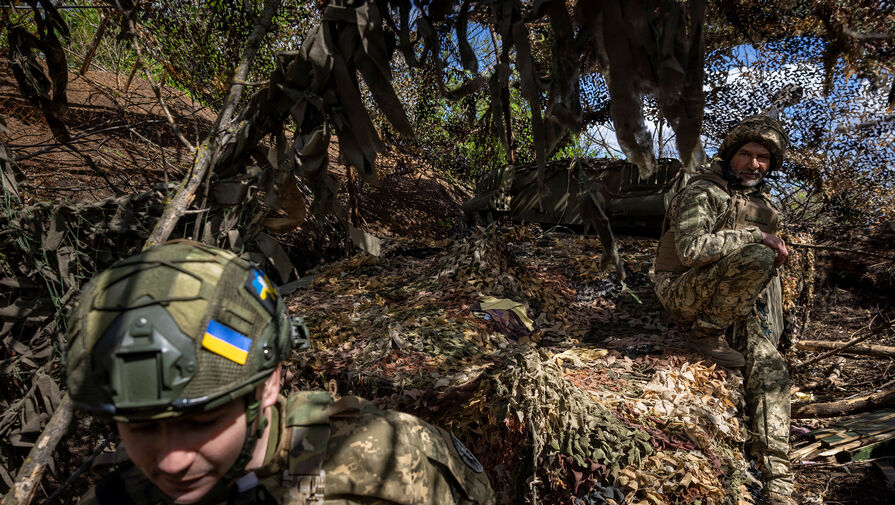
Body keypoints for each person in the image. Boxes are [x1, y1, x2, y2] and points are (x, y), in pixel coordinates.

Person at [66, 241, 495, 505]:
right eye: (140, 427)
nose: (171, 460)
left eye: (201, 421)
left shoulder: (387, 464)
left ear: (269, 383)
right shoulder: (120, 496)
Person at [652, 115, 794, 504]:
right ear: (730, 156)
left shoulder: (764, 205)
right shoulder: (703, 192)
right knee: (757, 255)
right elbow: (692, 251)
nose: (753, 164)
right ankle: (706, 334)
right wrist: (757, 238)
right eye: (745, 154)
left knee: (771, 368)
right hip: (684, 293)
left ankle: (778, 480)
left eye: (762, 157)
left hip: (736, 302)